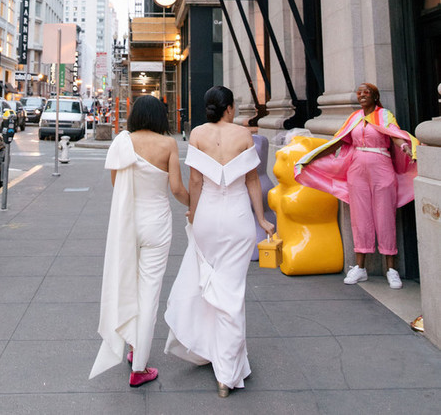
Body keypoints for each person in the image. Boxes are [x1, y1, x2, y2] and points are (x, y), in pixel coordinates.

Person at [165, 86, 275, 398]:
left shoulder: (198, 134)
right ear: (228, 108)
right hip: (238, 219)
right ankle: (226, 372)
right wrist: (262, 219)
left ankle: (211, 349)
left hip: (207, 219)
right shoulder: (243, 135)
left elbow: (196, 181)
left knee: (210, 285)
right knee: (232, 293)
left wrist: (193, 213)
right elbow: (252, 180)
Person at [90, 95, 189, 387]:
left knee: (128, 284)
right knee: (149, 292)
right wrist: (195, 204)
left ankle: (133, 347)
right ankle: (139, 365)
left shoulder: (123, 142)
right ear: (160, 116)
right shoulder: (168, 144)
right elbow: (177, 189)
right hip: (157, 224)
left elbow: (116, 183)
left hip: (128, 223)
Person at [295, 82, 416, 289]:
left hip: (382, 168)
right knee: (360, 217)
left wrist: (406, 146)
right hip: (357, 171)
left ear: (375, 96)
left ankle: (391, 269)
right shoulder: (354, 118)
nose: (362, 95)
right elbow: (338, 141)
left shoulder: (384, 115)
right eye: (359, 93)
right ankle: (360, 268)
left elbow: (395, 135)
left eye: (366, 92)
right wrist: (311, 158)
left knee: (385, 216)